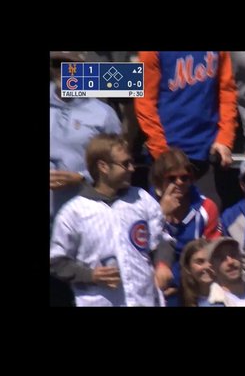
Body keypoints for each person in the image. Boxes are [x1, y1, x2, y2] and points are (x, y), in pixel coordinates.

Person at [50, 134, 174, 307]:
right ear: (103, 167)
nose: (132, 168)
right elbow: (56, 261)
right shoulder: (73, 212)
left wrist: (162, 265)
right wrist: (90, 275)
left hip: (143, 300)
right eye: (125, 163)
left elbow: (162, 240)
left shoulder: (141, 198)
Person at [135, 52, 238, 207]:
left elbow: (227, 91)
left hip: (207, 154)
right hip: (165, 155)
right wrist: (162, 152)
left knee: (207, 220)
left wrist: (225, 139)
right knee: (160, 220)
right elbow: (145, 102)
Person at [50, 51, 122, 221]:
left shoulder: (103, 114)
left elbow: (120, 165)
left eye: (71, 66)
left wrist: (83, 177)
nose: (63, 71)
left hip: (85, 214)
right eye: (57, 65)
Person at [150, 148, 221, 305]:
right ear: (159, 181)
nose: (179, 183)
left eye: (184, 177)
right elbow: (139, 250)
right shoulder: (144, 206)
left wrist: (180, 284)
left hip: (193, 289)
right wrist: (161, 214)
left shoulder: (206, 208)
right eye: (172, 178)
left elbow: (212, 257)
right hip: (151, 286)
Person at [179, 240, 216, 307]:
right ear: (188, 268)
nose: (207, 266)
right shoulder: (179, 301)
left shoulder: (230, 297)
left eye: (211, 260)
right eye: (200, 262)